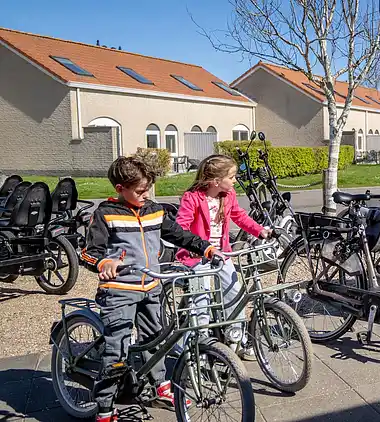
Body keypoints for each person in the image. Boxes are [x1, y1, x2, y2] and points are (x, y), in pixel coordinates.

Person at [81, 156, 223, 422]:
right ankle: (104, 407)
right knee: (117, 351)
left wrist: (205, 247)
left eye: (148, 188)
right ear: (120, 188)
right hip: (119, 290)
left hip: (151, 286)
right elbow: (89, 252)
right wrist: (103, 262)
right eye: (139, 190)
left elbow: (179, 234)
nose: (146, 194)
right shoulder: (105, 214)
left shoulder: (153, 210)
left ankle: (159, 384)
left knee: (155, 340)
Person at [174, 154, 273, 360]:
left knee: (234, 293)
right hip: (197, 256)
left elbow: (239, 216)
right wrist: (192, 246)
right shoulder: (192, 198)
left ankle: (236, 337)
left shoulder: (228, 195)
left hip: (222, 255)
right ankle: (199, 345)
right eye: (232, 176)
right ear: (216, 181)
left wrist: (259, 230)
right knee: (202, 300)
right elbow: (181, 227)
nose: (235, 180)